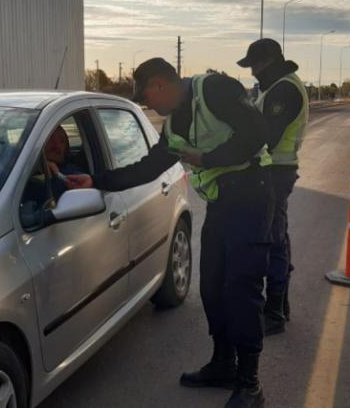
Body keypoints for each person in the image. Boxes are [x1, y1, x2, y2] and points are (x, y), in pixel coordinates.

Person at [66, 58, 275, 408]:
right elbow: (150, 166)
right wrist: (97, 181)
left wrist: (205, 159)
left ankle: (250, 384)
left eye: (147, 96)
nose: (148, 105)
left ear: (161, 84)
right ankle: (223, 363)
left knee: (242, 289)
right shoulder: (174, 121)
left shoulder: (215, 89)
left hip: (253, 197)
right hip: (223, 205)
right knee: (212, 285)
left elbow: (258, 134)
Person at [236, 39, 308, 336]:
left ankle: (275, 311)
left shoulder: (284, 89)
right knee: (276, 236)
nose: (252, 71)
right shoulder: (272, 86)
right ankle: (281, 305)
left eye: (255, 65)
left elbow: (266, 136)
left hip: (276, 172)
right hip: (273, 171)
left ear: (269, 61)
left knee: (274, 240)